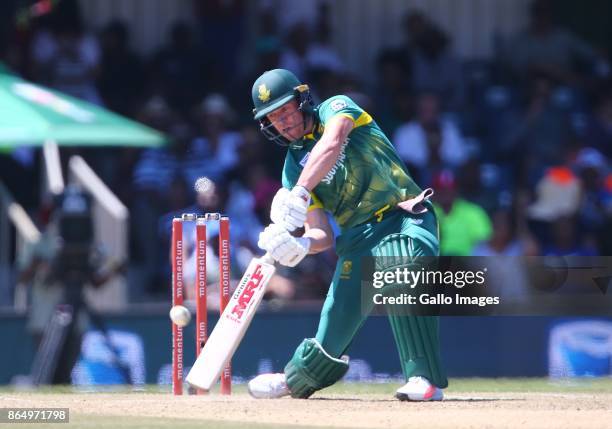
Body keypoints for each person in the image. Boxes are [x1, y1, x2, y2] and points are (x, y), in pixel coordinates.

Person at [246, 69, 447, 401]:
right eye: (272, 117)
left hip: (403, 217)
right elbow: (322, 233)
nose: (282, 121)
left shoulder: (337, 107)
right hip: (357, 239)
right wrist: (301, 244)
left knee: (400, 263)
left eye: (285, 110)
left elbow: (333, 143)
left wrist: (299, 192)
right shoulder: (292, 166)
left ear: (302, 101)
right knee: (334, 321)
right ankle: (294, 379)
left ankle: (423, 379)